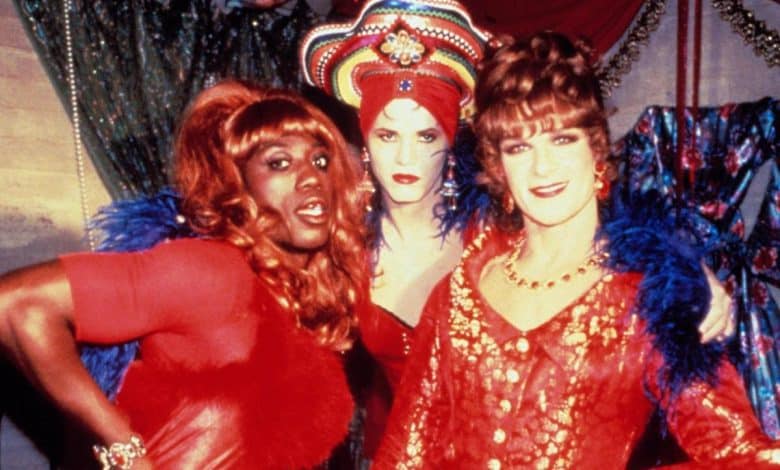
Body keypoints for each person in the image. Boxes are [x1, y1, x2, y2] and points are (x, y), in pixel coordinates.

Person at [300, 0, 735, 462]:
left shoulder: (648, 293)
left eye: (562, 139)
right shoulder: (455, 287)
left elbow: (736, 448)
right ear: (497, 164)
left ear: (598, 149)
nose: (542, 166)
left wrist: (684, 272)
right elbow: (407, 449)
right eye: (519, 146)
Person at [0, 79, 367, 469]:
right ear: (237, 185)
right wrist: (122, 447)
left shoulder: (308, 302)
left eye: (321, 160)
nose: (311, 177)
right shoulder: (212, 273)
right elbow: (15, 304)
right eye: (278, 163)